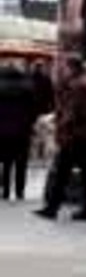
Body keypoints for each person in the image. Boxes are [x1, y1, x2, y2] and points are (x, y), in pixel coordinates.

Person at [36, 59, 86, 221]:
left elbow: (76, 111)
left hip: (78, 136)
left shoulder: (81, 87)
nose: (64, 71)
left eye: (66, 68)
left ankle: (52, 208)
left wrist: (64, 123)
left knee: (62, 173)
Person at [0, 59, 38, 201]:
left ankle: (5, 191)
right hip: (23, 129)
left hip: (3, 130)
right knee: (21, 162)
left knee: (6, 161)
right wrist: (30, 123)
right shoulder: (27, 87)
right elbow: (34, 109)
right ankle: (20, 191)